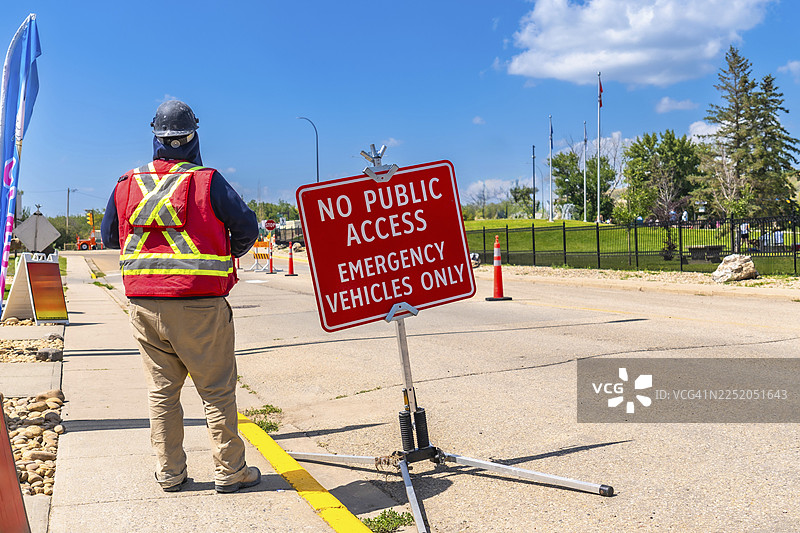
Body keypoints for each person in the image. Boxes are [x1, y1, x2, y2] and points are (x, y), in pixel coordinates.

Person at [100, 100, 260, 493]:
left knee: (162, 392)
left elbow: (108, 237)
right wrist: (228, 251)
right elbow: (246, 227)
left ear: (155, 136)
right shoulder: (207, 180)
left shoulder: (126, 183)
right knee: (216, 390)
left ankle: (169, 472)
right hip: (200, 305)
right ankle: (230, 470)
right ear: (193, 136)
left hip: (144, 306)